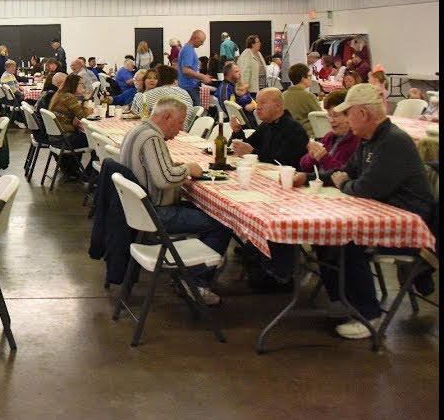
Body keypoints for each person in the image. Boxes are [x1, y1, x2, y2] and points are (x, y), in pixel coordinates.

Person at [319, 84, 436, 339]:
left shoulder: (393, 141)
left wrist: (342, 183)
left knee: (348, 239)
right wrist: (310, 177)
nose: (346, 118)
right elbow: (349, 171)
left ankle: (368, 315)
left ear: (362, 113)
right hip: (381, 217)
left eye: (348, 112)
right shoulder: (369, 140)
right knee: (325, 235)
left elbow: (365, 187)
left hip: (409, 228)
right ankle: (341, 300)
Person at [118, 98, 232, 305]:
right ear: (167, 116)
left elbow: (156, 170)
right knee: (223, 222)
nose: (181, 129)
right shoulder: (152, 137)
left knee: (207, 211)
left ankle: (190, 269)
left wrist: (173, 166)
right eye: (180, 123)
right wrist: (188, 169)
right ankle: (197, 282)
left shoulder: (139, 130)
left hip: (141, 213)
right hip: (156, 213)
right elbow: (164, 180)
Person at [229, 87, 310, 166]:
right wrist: (238, 132)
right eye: (257, 103)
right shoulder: (266, 125)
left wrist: (253, 152)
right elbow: (247, 147)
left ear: (277, 106)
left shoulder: (293, 129)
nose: (258, 107)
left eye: (263, 103)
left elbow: (283, 160)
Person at [293, 89, 359, 182]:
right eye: (329, 115)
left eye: (335, 116)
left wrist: (323, 158)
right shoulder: (329, 137)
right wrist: (312, 157)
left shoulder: (357, 141)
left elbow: (346, 175)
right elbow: (304, 166)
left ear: (349, 115)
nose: (331, 120)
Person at [43, 73, 90, 173]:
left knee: (82, 135)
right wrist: (85, 100)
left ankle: (72, 170)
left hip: (54, 138)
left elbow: (75, 116)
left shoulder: (59, 94)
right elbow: (83, 117)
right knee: (95, 142)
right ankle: (90, 175)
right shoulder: (69, 97)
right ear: (74, 85)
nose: (83, 86)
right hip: (64, 140)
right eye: (81, 84)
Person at [142, 65, 195, 131]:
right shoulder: (185, 93)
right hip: (184, 132)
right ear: (174, 80)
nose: (152, 80)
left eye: (155, 78)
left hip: (164, 133)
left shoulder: (152, 93)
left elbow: (138, 113)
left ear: (159, 79)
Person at [281, 63, 323, 137]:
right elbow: (320, 116)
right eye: (309, 76)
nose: (311, 78)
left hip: (287, 133)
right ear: (303, 78)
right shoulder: (308, 96)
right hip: (307, 134)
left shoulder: (283, 95)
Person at [177, 29, 213, 107]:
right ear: (195, 38)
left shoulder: (188, 49)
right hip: (189, 88)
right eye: (201, 41)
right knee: (196, 113)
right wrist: (202, 76)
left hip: (190, 87)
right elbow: (186, 70)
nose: (202, 44)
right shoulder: (188, 50)